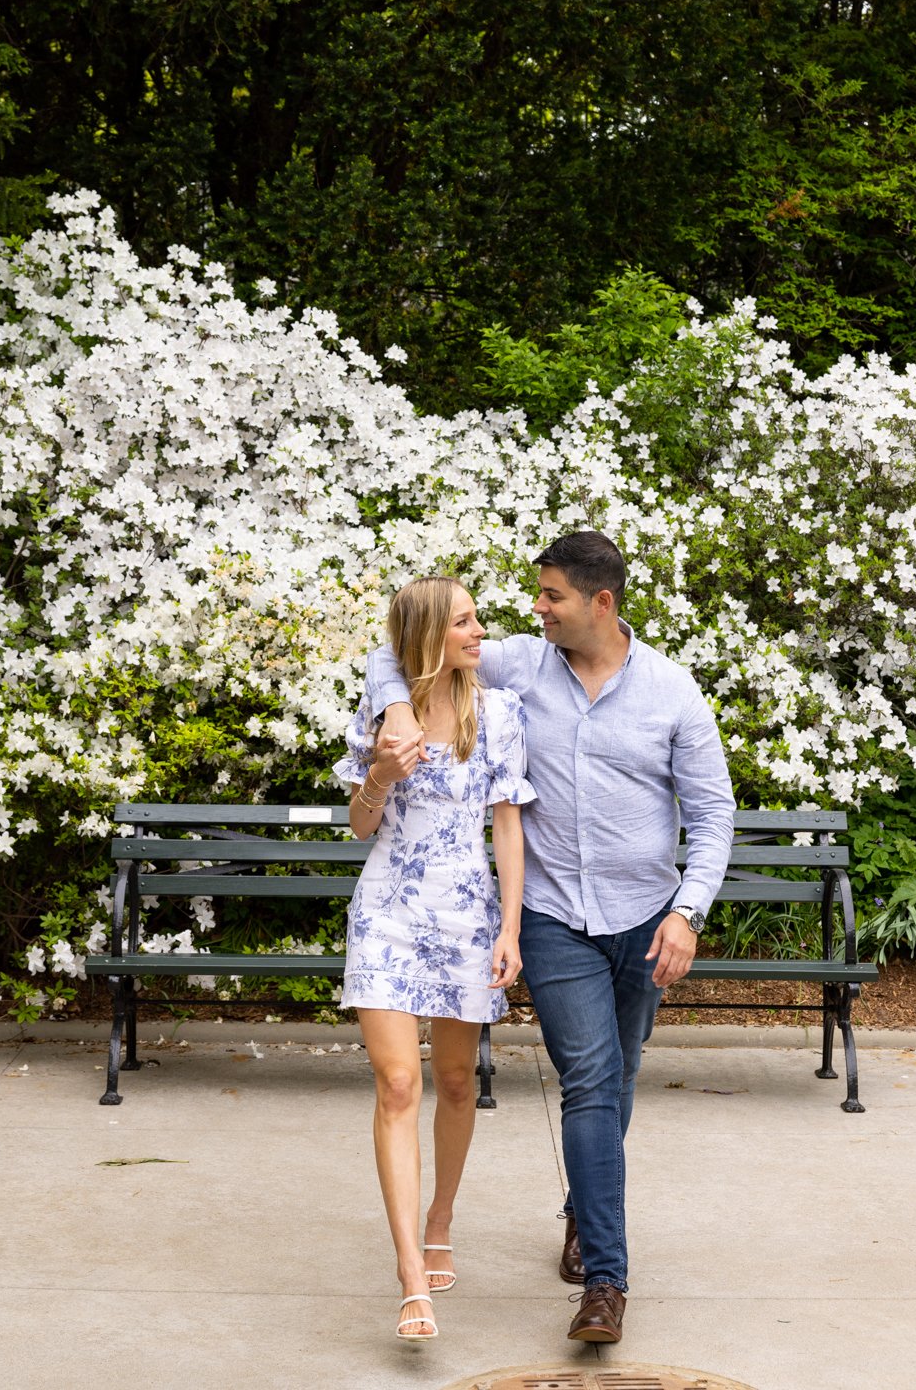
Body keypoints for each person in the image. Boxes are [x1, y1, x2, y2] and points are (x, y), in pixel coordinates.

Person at [366, 530, 735, 1346]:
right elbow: (405, 641)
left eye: (551, 597)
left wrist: (689, 911)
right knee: (593, 1080)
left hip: (645, 917)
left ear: (599, 604)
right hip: (553, 916)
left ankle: (581, 1209)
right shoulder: (518, 667)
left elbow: (711, 815)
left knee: (621, 1073)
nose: (535, 609)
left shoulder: (672, 693)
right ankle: (605, 1281)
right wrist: (395, 707)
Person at [336, 575, 533, 1343]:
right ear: (427, 634)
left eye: (476, 619)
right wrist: (382, 773)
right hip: (386, 908)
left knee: (455, 1082)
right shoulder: (386, 712)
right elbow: (359, 827)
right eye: (464, 622)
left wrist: (508, 929)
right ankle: (410, 1278)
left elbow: (508, 828)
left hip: (466, 915)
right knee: (397, 1083)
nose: (479, 631)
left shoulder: (500, 714)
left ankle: (440, 1215)